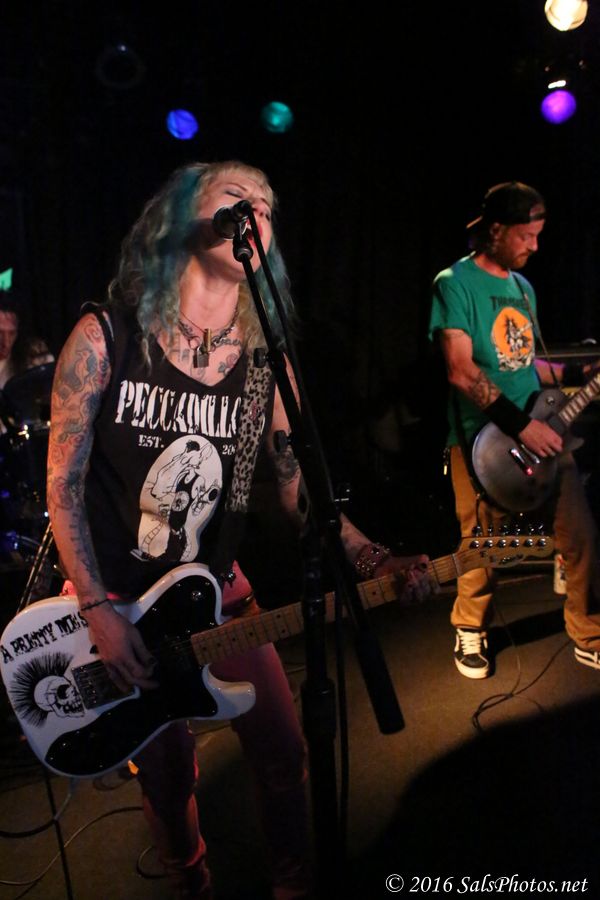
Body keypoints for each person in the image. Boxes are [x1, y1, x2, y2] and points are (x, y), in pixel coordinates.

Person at [46, 160, 430, 900]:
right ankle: (190, 882)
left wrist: (372, 556)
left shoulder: (263, 365)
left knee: (285, 751)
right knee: (167, 779)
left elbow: (297, 490)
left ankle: (293, 887)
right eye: (234, 194)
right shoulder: (105, 335)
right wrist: (95, 608)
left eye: (266, 204)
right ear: (181, 216)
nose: (253, 208)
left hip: (220, 591)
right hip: (118, 602)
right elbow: (61, 483)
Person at [428, 180, 600, 680]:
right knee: (480, 545)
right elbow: (460, 370)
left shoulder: (524, 288)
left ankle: (589, 632)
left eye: (538, 235)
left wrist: (576, 374)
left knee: (581, 535)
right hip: (481, 438)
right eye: (527, 235)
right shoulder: (453, 283)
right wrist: (523, 428)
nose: (535, 246)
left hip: (540, 430)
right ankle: (469, 627)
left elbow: (524, 361)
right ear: (497, 231)